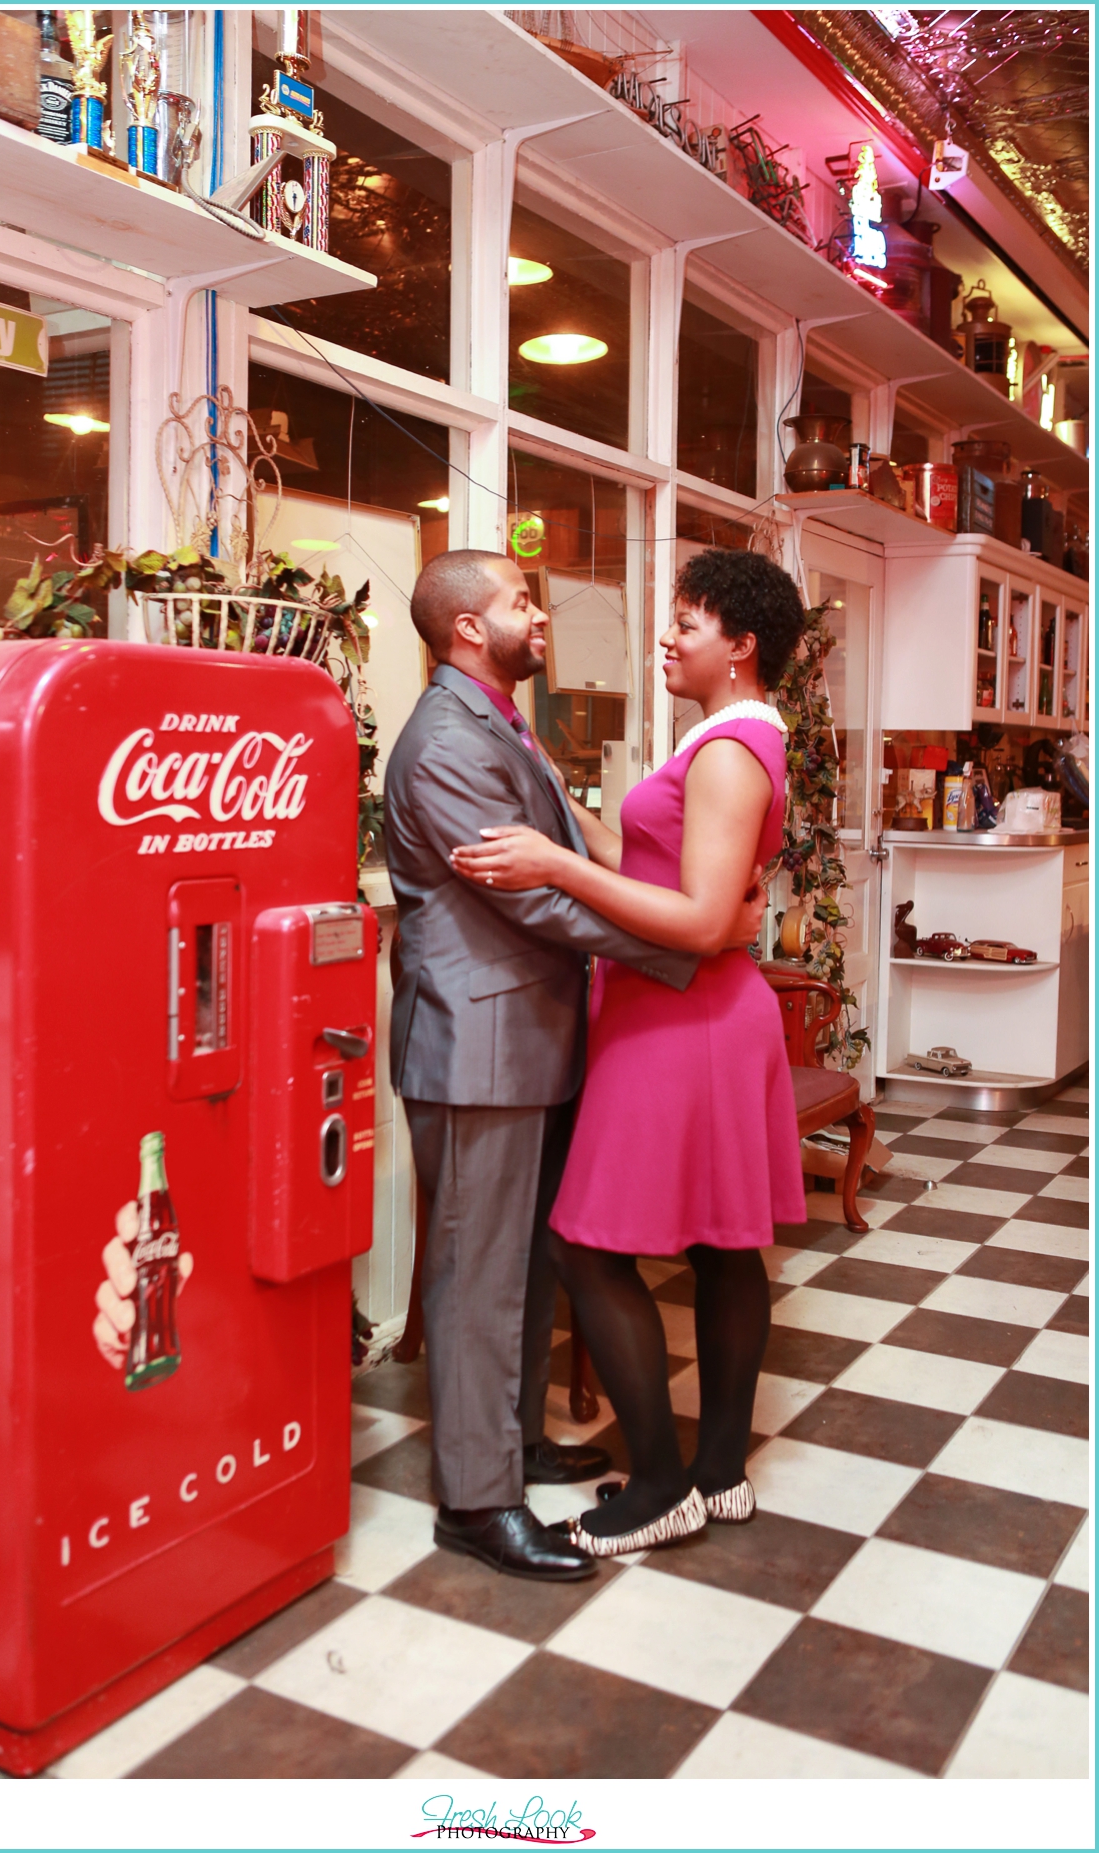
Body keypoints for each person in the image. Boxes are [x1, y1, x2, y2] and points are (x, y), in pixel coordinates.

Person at [384, 549, 768, 1582]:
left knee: (531, 1259)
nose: (541, 617)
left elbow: (567, 856)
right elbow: (535, 900)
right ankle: (476, 1498)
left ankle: (507, 1440)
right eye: (521, 603)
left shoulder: (502, 722)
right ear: (469, 628)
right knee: (476, 1273)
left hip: (538, 1034)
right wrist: (695, 941)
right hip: (477, 1044)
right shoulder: (444, 743)